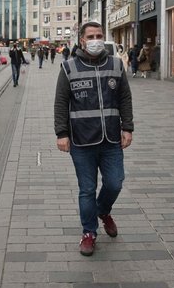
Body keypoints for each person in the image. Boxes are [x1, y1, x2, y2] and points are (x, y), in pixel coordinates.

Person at [54, 21, 134, 257]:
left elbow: (125, 99)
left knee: (115, 183)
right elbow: (61, 103)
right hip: (81, 141)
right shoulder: (69, 67)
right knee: (86, 189)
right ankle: (89, 232)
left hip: (110, 140)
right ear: (82, 40)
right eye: (91, 36)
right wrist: (62, 133)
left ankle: (103, 210)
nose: (96, 39)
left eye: (99, 35)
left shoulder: (116, 64)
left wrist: (127, 128)